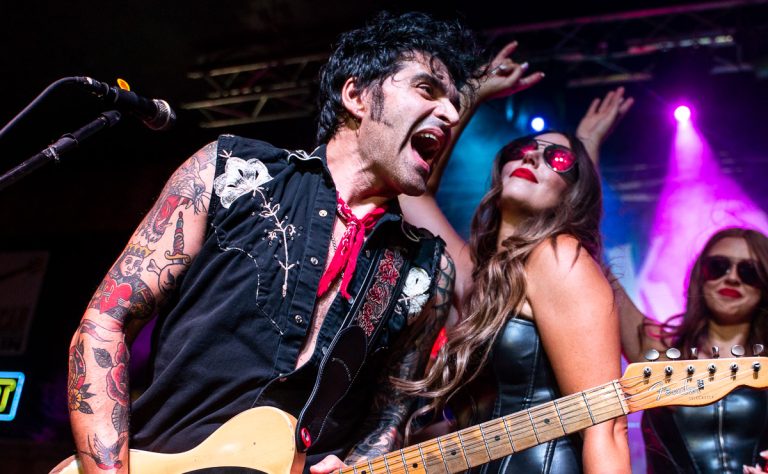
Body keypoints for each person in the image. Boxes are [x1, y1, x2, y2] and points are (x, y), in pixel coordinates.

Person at [61, 12, 489, 474]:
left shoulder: (426, 266)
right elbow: (105, 322)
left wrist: (362, 463)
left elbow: (389, 416)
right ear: (357, 95)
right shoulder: (231, 171)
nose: (449, 114)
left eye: (455, 104)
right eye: (427, 90)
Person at [397, 44, 633, 473]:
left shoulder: (560, 258)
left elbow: (607, 426)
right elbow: (411, 193)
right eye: (523, 147)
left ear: (574, 192)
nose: (533, 155)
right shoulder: (475, 273)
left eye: (557, 158)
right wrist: (471, 94)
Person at [615, 227, 768, 474]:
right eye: (718, 266)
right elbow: (601, 275)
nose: (731, 278)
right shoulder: (657, 352)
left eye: (749, 272)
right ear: (700, 275)